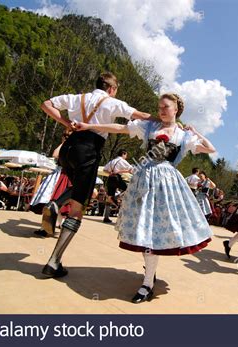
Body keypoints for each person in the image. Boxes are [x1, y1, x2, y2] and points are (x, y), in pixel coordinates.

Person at [74, 93, 216, 303]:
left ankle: (148, 281)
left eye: (166, 107)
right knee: (145, 230)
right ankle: (148, 279)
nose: (161, 110)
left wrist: (195, 131)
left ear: (176, 109)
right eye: (159, 107)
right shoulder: (149, 127)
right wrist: (88, 126)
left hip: (167, 185)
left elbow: (211, 149)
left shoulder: (184, 136)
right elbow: (121, 128)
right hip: (143, 181)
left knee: (157, 231)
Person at [39, 72, 152, 278]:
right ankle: (53, 262)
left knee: (80, 189)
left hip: (68, 149)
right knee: (77, 208)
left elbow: (46, 104)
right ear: (111, 88)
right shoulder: (112, 102)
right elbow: (140, 116)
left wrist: (65, 123)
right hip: (88, 151)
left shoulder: (77, 97)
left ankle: (56, 203)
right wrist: (164, 120)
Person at [103, 149, 133, 223]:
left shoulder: (112, 161)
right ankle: (115, 198)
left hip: (110, 178)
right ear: (123, 154)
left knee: (109, 197)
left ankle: (106, 217)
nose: (126, 156)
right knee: (129, 189)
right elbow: (132, 169)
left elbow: (104, 170)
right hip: (117, 178)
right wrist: (122, 171)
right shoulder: (122, 161)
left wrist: (111, 172)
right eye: (126, 155)